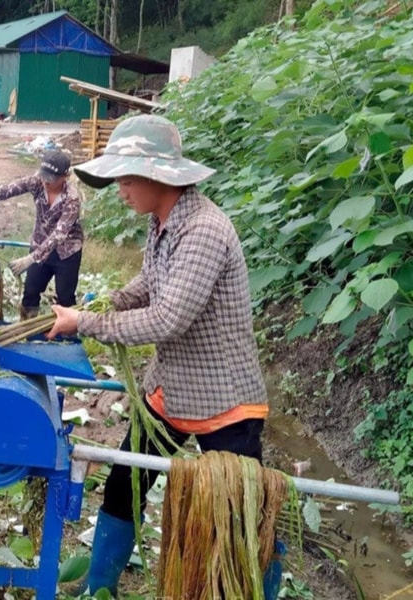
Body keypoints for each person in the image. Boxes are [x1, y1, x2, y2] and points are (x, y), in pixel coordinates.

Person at [45, 115, 276, 598]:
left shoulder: (204, 231)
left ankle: (259, 588)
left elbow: (168, 318)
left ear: (159, 177)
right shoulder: (162, 223)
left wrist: (85, 323)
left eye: (127, 180)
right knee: (124, 486)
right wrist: (108, 301)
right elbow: (151, 284)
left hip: (224, 401)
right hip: (171, 391)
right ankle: (100, 588)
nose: (121, 190)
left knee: (239, 517)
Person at [0, 149, 84, 319]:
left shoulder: (72, 199)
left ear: (65, 176)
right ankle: (28, 327)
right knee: (31, 291)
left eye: (51, 179)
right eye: (43, 176)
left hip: (67, 251)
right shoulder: (36, 182)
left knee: (65, 297)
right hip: (40, 242)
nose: (45, 182)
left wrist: (30, 259)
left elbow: (59, 235)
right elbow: (4, 191)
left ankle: (67, 334)